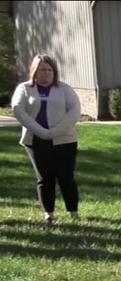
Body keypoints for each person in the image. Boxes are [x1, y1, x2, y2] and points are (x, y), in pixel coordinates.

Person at [11, 54, 81, 224]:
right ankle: (48, 213)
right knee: (44, 178)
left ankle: (73, 212)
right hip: (35, 140)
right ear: (35, 71)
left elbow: (74, 111)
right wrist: (41, 132)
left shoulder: (65, 89)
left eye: (50, 70)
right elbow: (18, 109)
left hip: (65, 140)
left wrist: (54, 132)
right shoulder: (24, 88)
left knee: (66, 177)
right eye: (42, 69)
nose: (47, 73)